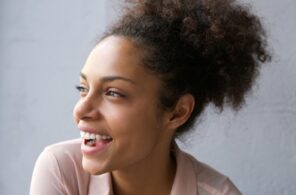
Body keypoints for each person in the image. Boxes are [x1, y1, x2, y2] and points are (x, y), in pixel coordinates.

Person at [30, 0, 270, 194]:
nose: (80, 111)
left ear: (177, 112)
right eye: (82, 88)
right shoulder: (61, 170)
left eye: (113, 93)